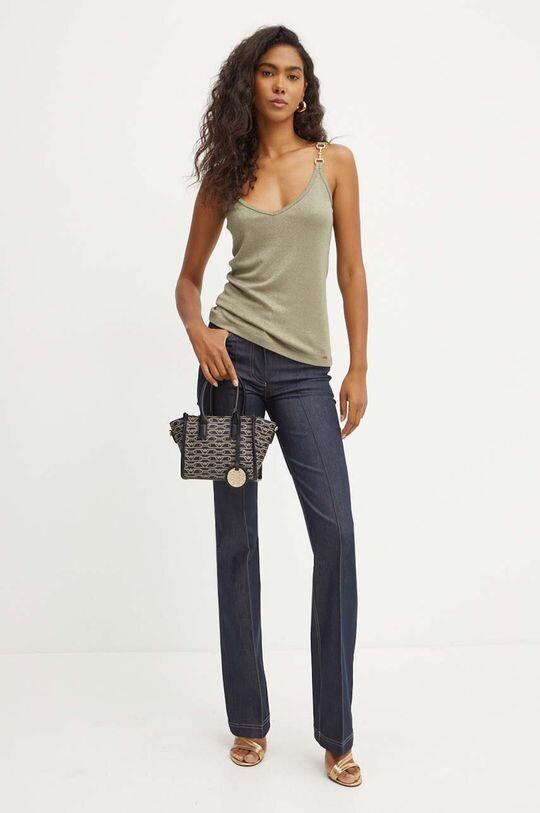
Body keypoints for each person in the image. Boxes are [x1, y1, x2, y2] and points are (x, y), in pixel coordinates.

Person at [175, 24, 368, 788]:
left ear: (305, 86)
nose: (281, 84)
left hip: (305, 374)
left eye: (293, 73)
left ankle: (336, 733)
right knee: (237, 542)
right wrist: (198, 331)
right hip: (230, 371)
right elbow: (188, 280)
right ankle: (248, 723)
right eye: (268, 72)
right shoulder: (226, 171)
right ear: (249, 84)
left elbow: (351, 270)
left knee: (337, 536)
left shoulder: (334, 163)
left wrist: (359, 366)